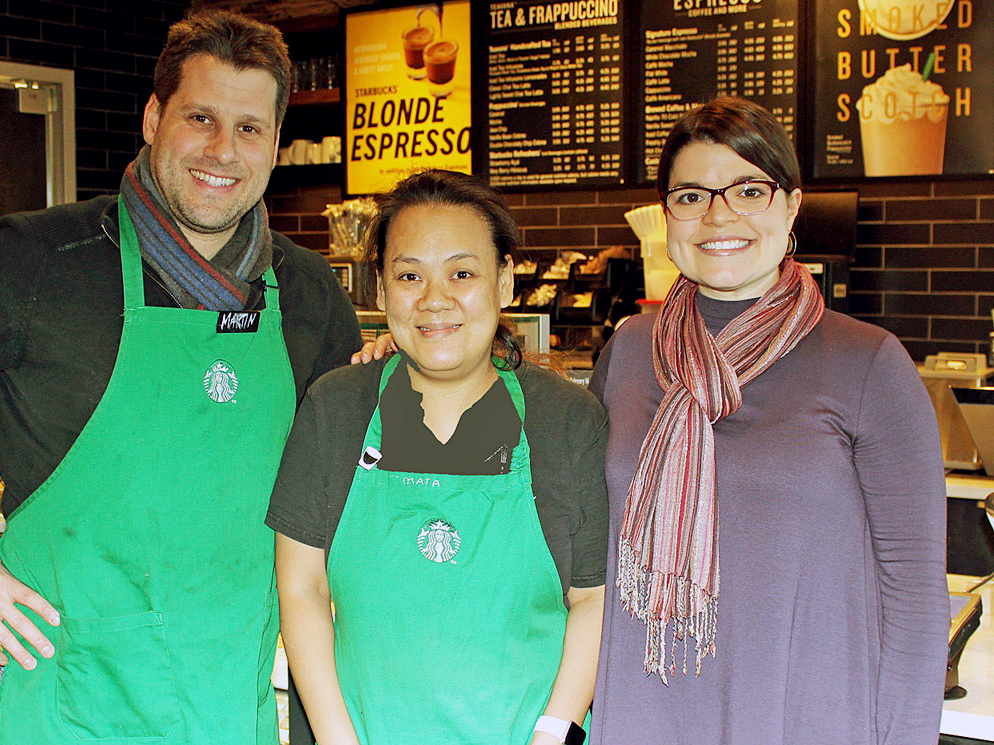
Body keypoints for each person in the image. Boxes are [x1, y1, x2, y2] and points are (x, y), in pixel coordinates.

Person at [0, 10, 361, 745]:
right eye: (200, 117)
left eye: (250, 128)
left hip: (234, 700)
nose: (223, 150)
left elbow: (348, 485)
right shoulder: (34, 260)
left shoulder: (310, 291)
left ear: (275, 145)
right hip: (61, 699)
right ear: (153, 115)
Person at [588, 97, 947, 745]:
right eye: (691, 195)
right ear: (665, 215)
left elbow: (917, 602)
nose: (719, 215)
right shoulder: (628, 352)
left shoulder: (867, 363)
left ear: (792, 206)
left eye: (749, 189)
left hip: (800, 714)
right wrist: (411, 362)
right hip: (647, 709)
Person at [268, 169, 608, 745]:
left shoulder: (567, 420)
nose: (435, 300)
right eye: (409, 275)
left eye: (462, 273)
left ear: (504, 281)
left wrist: (554, 733)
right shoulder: (337, 407)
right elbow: (302, 588)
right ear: (380, 289)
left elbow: (593, 598)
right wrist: (336, 739)